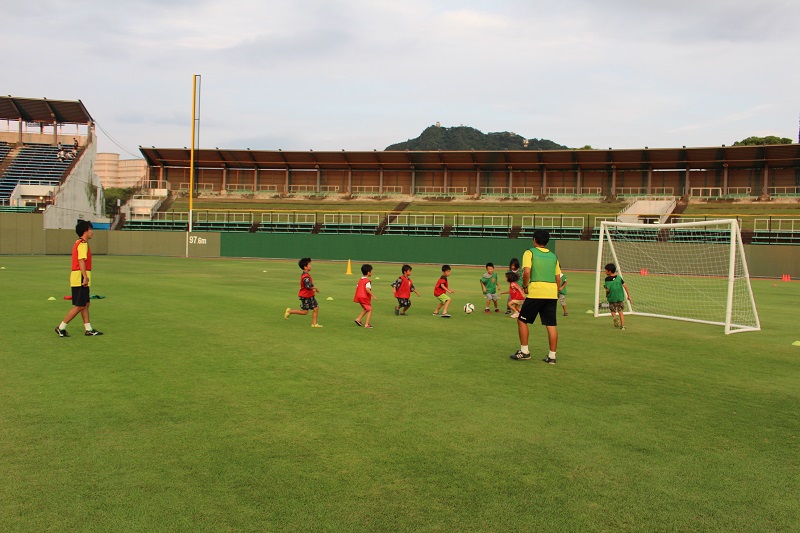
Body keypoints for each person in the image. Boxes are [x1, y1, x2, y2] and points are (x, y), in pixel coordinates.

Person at [510, 229, 562, 363]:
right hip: (551, 293)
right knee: (551, 325)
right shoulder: (553, 256)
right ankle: (552, 356)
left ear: (534, 240)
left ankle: (525, 351)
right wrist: (555, 292)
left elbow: (526, 272)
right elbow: (558, 278)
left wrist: (526, 286)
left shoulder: (530, 253)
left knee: (522, 320)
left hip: (536, 291)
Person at [55, 220, 103, 337]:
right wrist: (85, 277)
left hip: (78, 277)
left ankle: (88, 329)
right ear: (85, 231)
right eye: (90, 229)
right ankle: (61, 327)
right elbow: (81, 260)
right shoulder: (82, 244)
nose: (92, 232)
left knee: (85, 304)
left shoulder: (79, 242)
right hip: (80, 277)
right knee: (80, 305)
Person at [284, 257, 322, 327]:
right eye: (309, 264)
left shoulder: (306, 275)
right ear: (305, 267)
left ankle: (314, 324)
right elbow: (308, 286)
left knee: (315, 308)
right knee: (305, 312)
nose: (311, 266)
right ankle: (290, 311)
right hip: (306, 296)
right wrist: (315, 287)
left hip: (309, 295)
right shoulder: (305, 276)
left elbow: (309, 284)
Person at [604, 263, 632, 330]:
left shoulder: (607, 279)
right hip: (619, 298)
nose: (605, 271)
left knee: (613, 311)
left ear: (609, 271)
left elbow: (607, 289)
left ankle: (614, 317)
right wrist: (629, 295)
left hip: (612, 299)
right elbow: (625, 286)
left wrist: (606, 295)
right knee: (620, 311)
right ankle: (623, 326)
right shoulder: (619, 278)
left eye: (606, 270)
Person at [354, 264, 377, 328]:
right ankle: (367, 324)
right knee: (370, 309)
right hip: (364, 297)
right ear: (368, 272)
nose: (372, 273)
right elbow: (367, 289)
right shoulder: (367, 281)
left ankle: (358, 319)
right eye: (371, 271)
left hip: (359, 296)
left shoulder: (360, 280)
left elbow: (357, 287)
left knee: (366, 309)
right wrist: (373, 295)